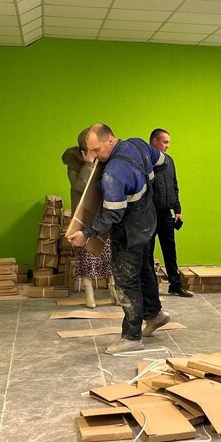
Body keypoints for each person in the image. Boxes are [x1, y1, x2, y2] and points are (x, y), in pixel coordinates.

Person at [67, 124, 170, 354]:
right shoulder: (138, 144)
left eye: (97, 150)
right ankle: (155, 314)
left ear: (110, 140)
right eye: (91, 152)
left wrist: (86, 234)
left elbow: (111, 214)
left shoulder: (113, 173)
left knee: (126, 281)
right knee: (144, 269)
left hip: (130, 231)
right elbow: (164, 162)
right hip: (148, 222)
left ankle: (132, 336)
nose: (95, 157)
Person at [62, 128, 114, 309]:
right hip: (83, 216)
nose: (95, 152)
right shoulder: (74, 164)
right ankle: (89, 294)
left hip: (103, 214)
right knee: (86, 256)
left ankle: (115, 291)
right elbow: (80, 187)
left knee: (110, 254)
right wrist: (88, 165)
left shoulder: (106, 159)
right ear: (83, 150)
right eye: (91, 149)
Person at [149, 128, 192, 298]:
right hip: (150, 214)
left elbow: (174, 185)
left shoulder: (169, 161)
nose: (167, 146)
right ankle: (150, 288)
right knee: (148, 251)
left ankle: (175, 285)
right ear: (154, 141)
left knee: (170, 251)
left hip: (166, 213)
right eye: (165, 142)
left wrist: (177, 209)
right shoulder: (146, 161)